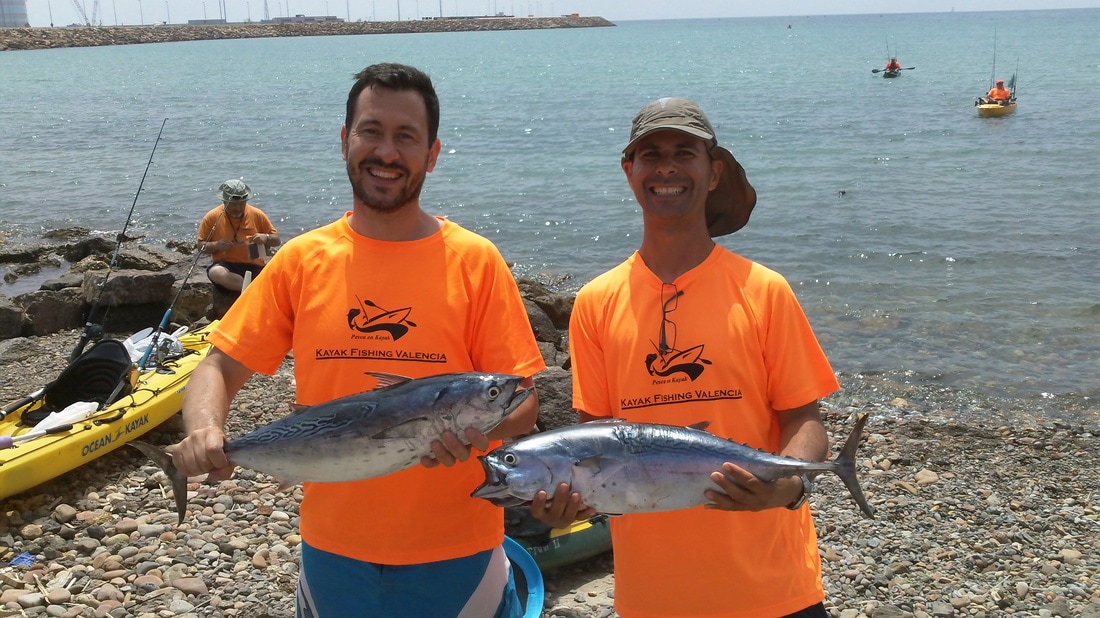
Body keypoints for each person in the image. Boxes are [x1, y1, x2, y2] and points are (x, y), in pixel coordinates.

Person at [171, 63, 546, 617]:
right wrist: (206, 430)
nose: (386, 152)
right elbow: (218, 366)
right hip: (333, 550)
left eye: (406, 136)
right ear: (346, 140)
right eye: (371, 131)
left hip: (458, 549)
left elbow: (523, 401)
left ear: (432, 154)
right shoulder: (302, 260)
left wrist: (469, 432)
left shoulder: (476, 261)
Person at [532, 97, 842, 617]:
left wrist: (788, 485)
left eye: (684, 152)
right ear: (629, 171)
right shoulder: (595, 302)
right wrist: (564, 500)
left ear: (714, 171)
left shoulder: (764, 290)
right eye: (651, 155)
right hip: (654, 596)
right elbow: (593, 442)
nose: (667, 168)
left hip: (774, 589)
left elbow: (803, 417)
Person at [198, 179, 280, 316]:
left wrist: (265, 237)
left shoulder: (257, 214)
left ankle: (252, 288)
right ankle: (251, 289)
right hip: (226, 266)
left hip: (254, 265)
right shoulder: (212, 217)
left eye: (242, 204)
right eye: (233, 205)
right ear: (224, 202)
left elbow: (276, 240)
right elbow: (201, 246)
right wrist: (216, 245)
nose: (238, 208)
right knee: (215, 272)